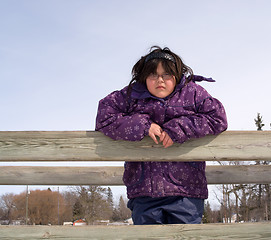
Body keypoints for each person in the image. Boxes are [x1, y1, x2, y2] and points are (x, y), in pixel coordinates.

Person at [95, 46, 227, 224]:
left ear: (177, 75)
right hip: (144, 190)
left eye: (167, 75)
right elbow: (104, 117)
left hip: (186, 191)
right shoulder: (131, 96)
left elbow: (217, 118)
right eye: (153, 75)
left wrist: (179, 128)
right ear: (143, 77)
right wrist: (142, 125)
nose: (160, 80)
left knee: (185, 237)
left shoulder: (192, 93)